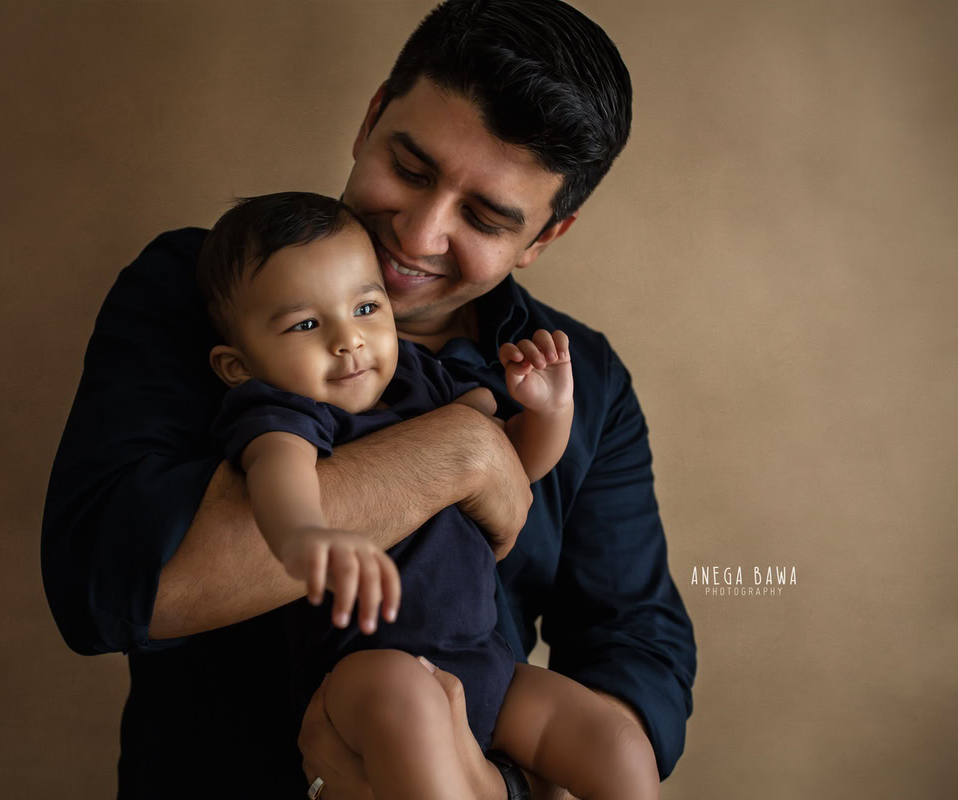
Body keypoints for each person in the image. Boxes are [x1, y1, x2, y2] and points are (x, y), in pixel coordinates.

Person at [41, 1, 696, 797]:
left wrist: (496, 789)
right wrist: (455, 455)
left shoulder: (578, 375)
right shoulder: (207, 294)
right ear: (371, 118)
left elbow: (636, 649)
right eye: (411, 170)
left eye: (484, 217)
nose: (418, 236)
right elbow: (110, 586)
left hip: (483, 718)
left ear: (544, 237)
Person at [198, 190, 658, 800]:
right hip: (367, 673)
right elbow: (278, 476)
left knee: (617, 743)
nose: (349, 340)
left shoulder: (418, 379)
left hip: (484, 661)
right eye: (306, 324)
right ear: (238, 366)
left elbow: (511, 468)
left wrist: (550, 413)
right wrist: (305, 535)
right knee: (411, 714)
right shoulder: (283, 409)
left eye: (366, 308)